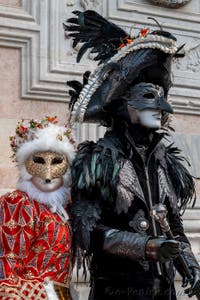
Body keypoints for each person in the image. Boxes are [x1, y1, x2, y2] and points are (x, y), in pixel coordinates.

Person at [65, 10, 200, 300]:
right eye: (149, 97)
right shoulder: (98, 160)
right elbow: (88, 231)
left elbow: (173, 225)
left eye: (162, 97)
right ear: (123, 105)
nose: (162, 107)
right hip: (118, 289)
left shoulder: (167, 163)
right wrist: (145, 246)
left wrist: (190, 265)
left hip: (162, 290)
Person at [0, 116, 75, 300]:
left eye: (57, 161)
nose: (48, 174)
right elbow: (7, 263)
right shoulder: (19, 203)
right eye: (39, 161)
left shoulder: (62, 209)